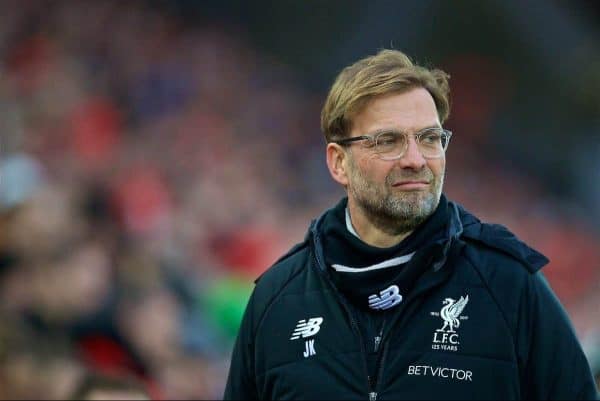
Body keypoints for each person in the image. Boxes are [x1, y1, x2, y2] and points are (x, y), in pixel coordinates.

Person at [223, 49, 598, 400]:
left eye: (430, 138)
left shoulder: (510, 285)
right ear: (339, 163)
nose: (416, 159)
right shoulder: (276, 300)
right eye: (388, 140)